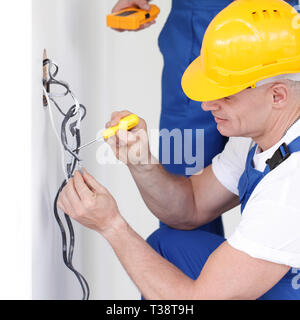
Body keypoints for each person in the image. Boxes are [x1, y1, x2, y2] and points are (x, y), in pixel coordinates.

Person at [58, 0, 300, 299]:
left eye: (224, 94)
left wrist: (111, 226)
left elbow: (196, 300)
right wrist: (142, 162)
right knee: (169, 244)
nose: (206, 105)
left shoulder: (291, 185)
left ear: (278, 95)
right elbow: (192, 206)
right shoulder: (260, 130)